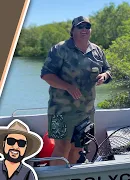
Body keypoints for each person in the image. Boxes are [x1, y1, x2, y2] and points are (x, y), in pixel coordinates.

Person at [40, 16, 112, 165]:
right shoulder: (60, 49)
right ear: (72, 31)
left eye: (87, 26)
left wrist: (104, 76)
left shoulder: (97, 51)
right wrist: (67, 86)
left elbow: (108, 70)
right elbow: (46, 75)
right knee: (62, 148)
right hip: (60, 111)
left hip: (87, 111)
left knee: (79, 148)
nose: (84, 29)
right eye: (80, 27)